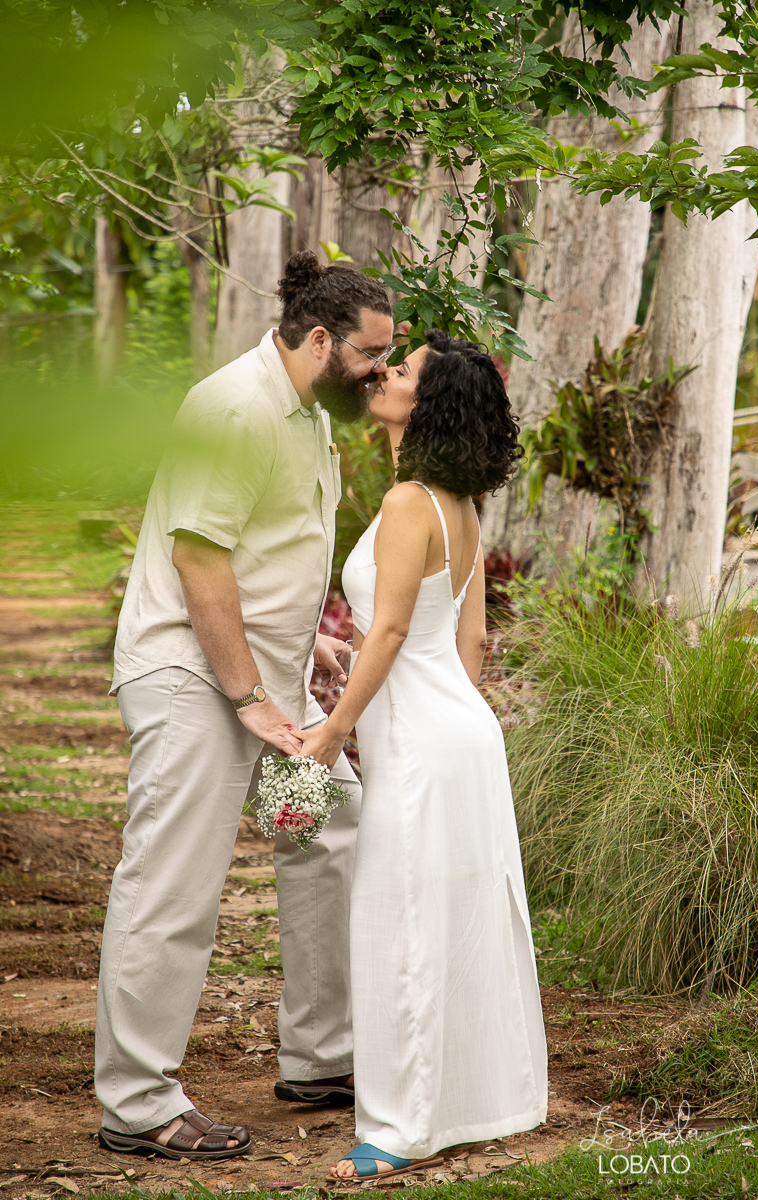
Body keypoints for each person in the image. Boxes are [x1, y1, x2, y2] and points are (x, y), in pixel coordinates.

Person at [95, 252, 394, 1160]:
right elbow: (201, 560)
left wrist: (309, 646)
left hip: (268, 684)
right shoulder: (232, 407)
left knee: (326, 834)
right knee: (173, 879)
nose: (382, 372)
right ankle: (138, 1103)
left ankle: (321, 1055)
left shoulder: (305, 411)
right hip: (196, 683)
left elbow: (270, 553)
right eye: (373, 355)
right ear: (319, 340)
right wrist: (249, 695)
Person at [301, 330, 549, 1182]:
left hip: (425, 742)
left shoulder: (412, 504)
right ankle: (480, 1101)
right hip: (462, 733)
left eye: (400, 371)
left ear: (427, 403)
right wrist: (431, 709)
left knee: (403, 919)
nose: (383, 373)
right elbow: (469, 641)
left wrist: (337, 730)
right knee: (455, 920)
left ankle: (401, 1130)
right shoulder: (458, 505)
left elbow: (395, 630)